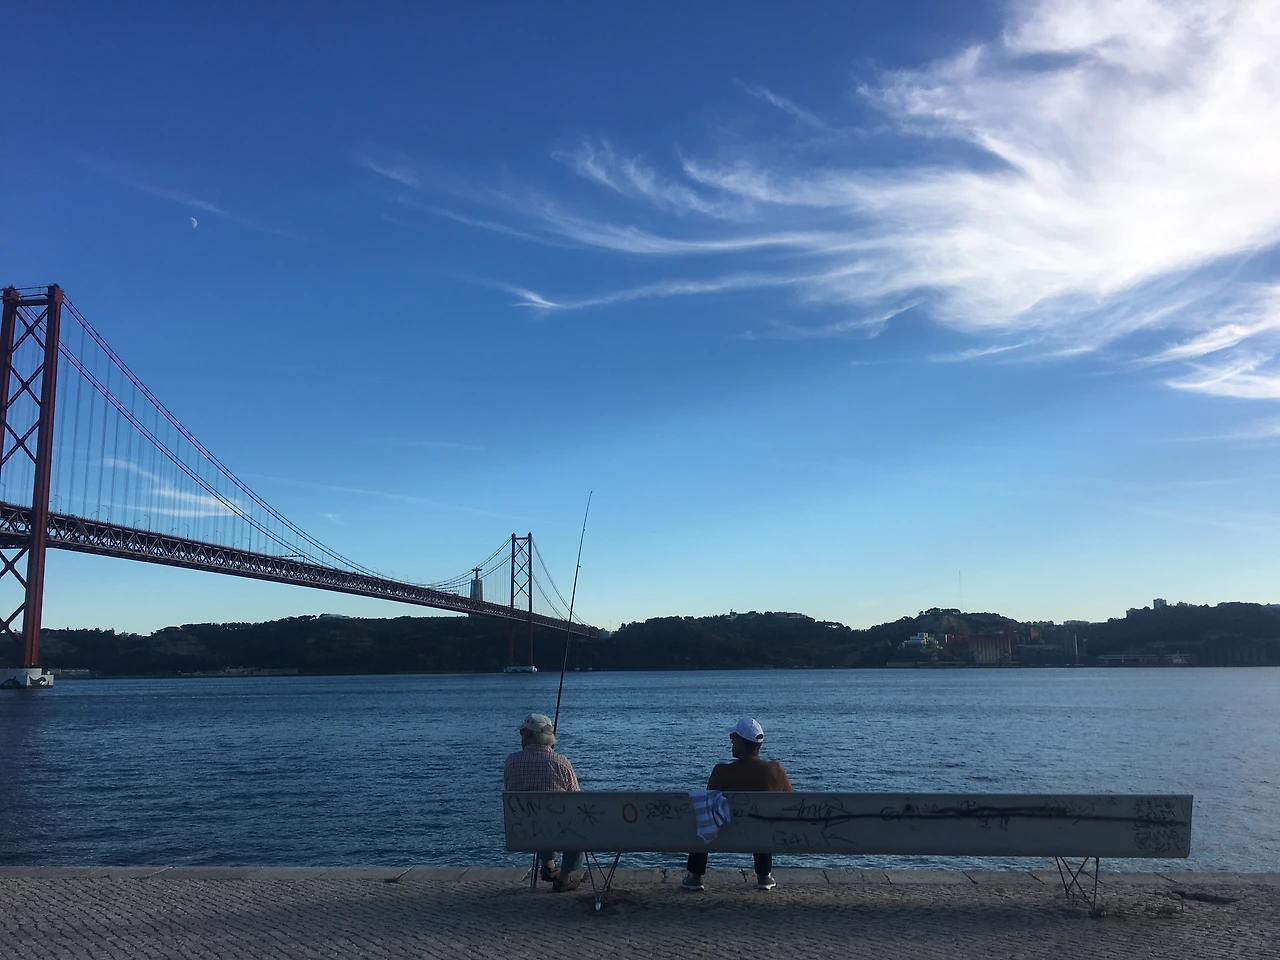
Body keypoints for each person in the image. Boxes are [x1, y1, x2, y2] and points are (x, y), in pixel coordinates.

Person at [682, 716, 792, 892]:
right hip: (766, 836)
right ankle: (764, 875)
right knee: (763, 821)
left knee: (704, 815)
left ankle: (695, 875)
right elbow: (790, 805)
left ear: (740, 742)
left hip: (725, 835)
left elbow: (708, 808)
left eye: (733, 737)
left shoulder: (722, 772)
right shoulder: (776, 771)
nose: (731, 740)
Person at [503, 712, 585, 892]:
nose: (521, 736)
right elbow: (577, 799)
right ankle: (563, 879)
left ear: (529, 734)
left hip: (523, 831)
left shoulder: (511, 762)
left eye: (522, 732)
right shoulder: (561, 763)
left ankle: (548, 864)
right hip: (558, 831)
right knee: (574, 822)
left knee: (539, 815)